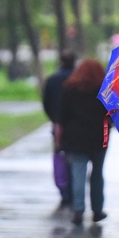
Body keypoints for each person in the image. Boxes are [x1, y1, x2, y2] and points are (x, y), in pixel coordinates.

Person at [58, 58, 110, 225]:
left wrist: (60, 135)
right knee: (97, 174)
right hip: (99, 138)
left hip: (75, 138)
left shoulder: (69, 89)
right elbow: (111, 114)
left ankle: (78, 211)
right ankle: (97, 210)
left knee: (77, 174)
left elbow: (62, 116)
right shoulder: (104, 90)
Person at [42, 49, 76, 208]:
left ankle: (64, 191)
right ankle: (75, 189)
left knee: (59, 156)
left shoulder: (52, 80)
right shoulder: (78, 79)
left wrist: (54, 119)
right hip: (75, 124)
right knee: (74, 158)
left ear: (60, 62)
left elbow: (46, 103)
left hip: (58, 125)